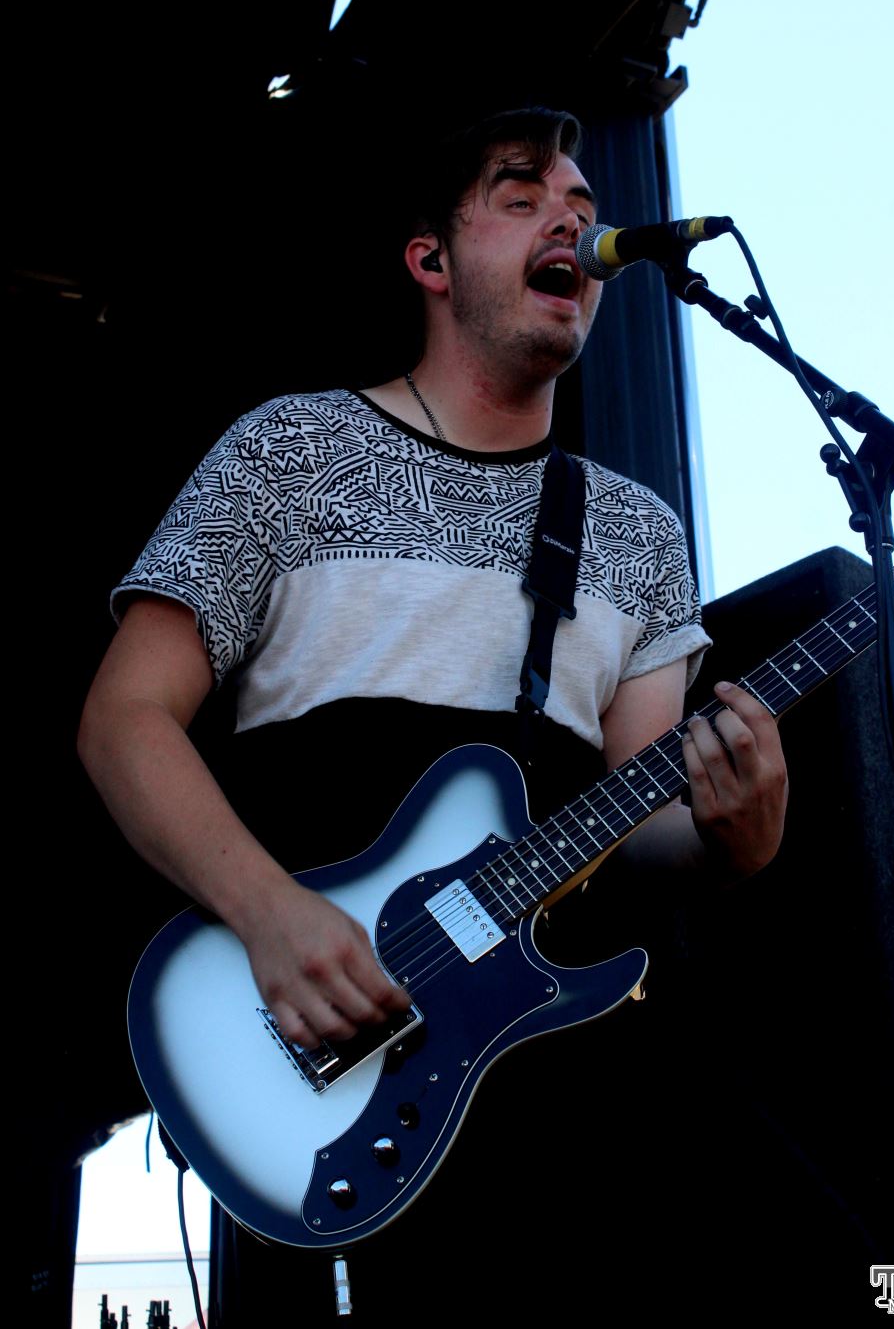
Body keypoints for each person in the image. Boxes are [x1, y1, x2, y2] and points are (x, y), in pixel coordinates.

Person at [78, 107, 788, 1316]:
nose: (571, 219)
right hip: (312, 1018)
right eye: (521, 196)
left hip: (536, 1058)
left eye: (581, 203)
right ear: (430, 259)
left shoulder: (636, 532)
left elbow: (641, 836)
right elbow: (123, 719)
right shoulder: (292, 450)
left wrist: (738, 837)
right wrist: (269, 915)